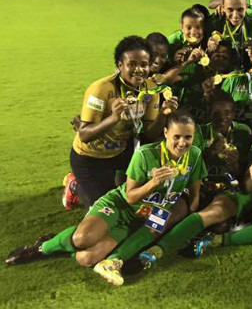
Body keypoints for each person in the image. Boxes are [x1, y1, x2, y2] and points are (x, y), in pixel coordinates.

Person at [7, 113, 206, 286]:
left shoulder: (194, 155)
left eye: (187, 137)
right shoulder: (146, 155)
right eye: (176, 136)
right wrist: (153, 183)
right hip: (119, 205)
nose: (182, 142)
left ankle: (106, 259)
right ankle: (43, 247)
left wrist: (192, 204)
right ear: (165, 134)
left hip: (143, 216)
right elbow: (130, 196)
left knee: (86, 258)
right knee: (82, 238)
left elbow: (195, 182)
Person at [136, 104, 252, 267]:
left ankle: (215, 240)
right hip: (245, 196)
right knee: (210, 213)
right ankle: (157, 250)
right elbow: (249, 188)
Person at [71, 36, 178, 208]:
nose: (139, 70)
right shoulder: (101, 89)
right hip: (90, 157)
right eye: (132, 64)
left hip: (121, 153)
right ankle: (76, 186)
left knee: (129, 201)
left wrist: (163, 114)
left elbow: (149, 134)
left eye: (144, 64)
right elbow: (84, 135)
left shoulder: (150, 90)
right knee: (102, 209)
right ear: (120, 65)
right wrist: (113, 118)